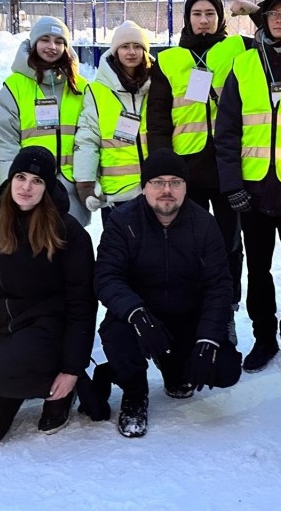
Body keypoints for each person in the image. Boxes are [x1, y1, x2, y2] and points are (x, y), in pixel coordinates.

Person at [0, 147, 97, 448]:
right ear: (10, 179)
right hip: (7, 329)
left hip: (50, 331)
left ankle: (67, 387)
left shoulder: (69, 232)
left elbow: (82, 306)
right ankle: (21, 377)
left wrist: (71, 367)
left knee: (3, 374)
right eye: (20, 177)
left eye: (37, 181)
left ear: (48, 186)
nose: (26, 187)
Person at [94, 148, 242, 438]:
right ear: (144, 186)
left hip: (187, 316)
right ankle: (135, 395)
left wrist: (208, 339)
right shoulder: (123, 221)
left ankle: (173, 367)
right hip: (138, 316)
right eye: (157, 182)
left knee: (225, 369)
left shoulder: (203, 224)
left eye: (175, 182)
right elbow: (107, 277)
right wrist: (137, 315)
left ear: (186, 186)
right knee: (118, 339)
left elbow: (219, 285)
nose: (166, 190)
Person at [214, 0, 281, 378]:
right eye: (273, 12)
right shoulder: (243, 65)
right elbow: (227, 132)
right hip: (253, 190)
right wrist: (232, 185)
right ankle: (264, 336)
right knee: (257, 269)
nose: (279, 19)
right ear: (264, 17)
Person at [147, 0, 249, 327]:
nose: (203, 20)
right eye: (196, 13)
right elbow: (159, 119)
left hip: (227, 169)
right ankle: (193, 311)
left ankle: (226, 311)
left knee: (229, 244)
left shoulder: (237, 49)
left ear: (220, 18)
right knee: (187, 245)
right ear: (187, 18)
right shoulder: (169, 61)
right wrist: (164, 170)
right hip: (186, 171)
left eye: (210, 13)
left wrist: (250, 8)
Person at [0, 16, 90, 227]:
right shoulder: (14, 87)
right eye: (45, 39)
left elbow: (91, 137)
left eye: (59, 41)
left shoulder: (80, 87)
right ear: (34, 43)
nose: (52, 47)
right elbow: (4, 140)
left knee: (71, 250)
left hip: (72, 189)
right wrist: (11, 186)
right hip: (30, 189)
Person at [73, 21, 153, 221]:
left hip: (155, 191)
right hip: (115, 195)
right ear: (115, 51)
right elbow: (87, 140)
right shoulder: (97, 92)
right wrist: (85, 184)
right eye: (125, 46)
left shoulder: (157, 86)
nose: (131, 52)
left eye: (137, 47)